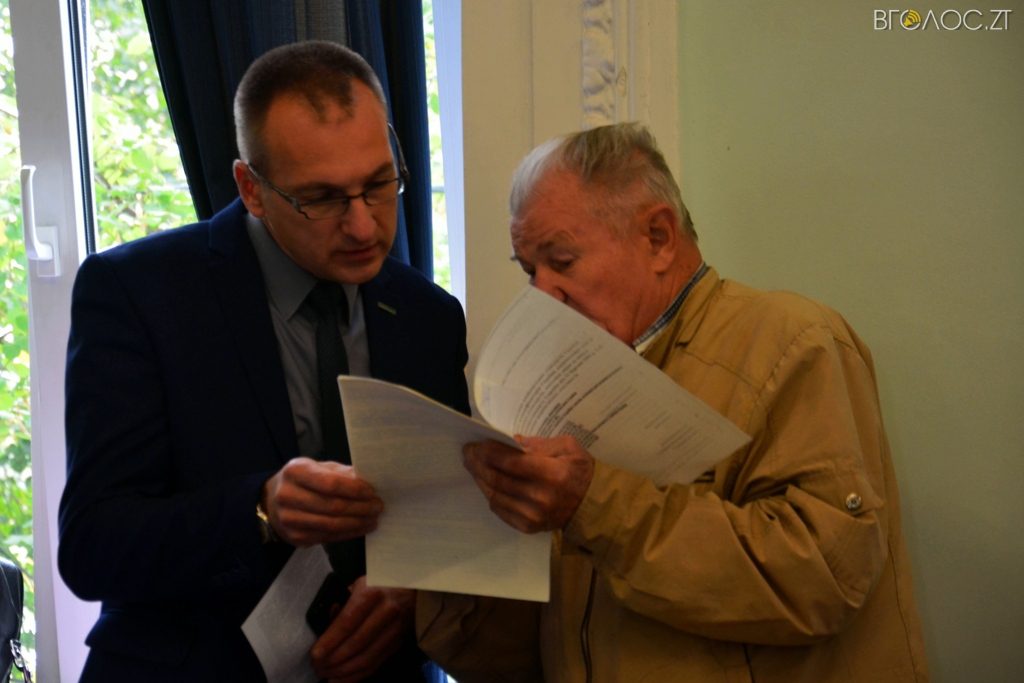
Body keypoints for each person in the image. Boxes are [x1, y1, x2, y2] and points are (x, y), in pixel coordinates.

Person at [416, 123, 929, 682]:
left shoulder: (793, 343)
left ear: (658, 238)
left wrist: (593, 506)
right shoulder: (568, 389)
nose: (541, 294)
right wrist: (448, 564)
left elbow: (825, 579)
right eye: (528, 271)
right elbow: (530, 656)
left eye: (561, 261)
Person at [58, 41, 469, 682]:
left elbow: (448, 518)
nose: (365, 227)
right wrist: (259, 510)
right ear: (251, 188)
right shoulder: (137, 294)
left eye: (379, 184)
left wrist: (412, 596)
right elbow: (93, 548)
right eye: (323, 199)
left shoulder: (429, 316)